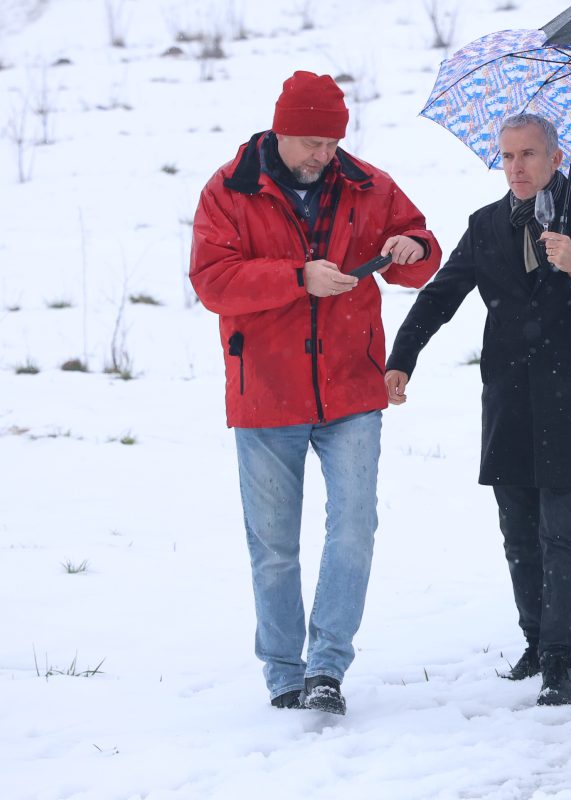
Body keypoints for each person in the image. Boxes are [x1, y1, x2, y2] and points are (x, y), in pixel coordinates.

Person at [189, 71, 442, 715]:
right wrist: (296, 278)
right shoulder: (228, 190)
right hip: (264, 393)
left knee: (354, 528)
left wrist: (411, 247)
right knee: (273, 545)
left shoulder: (369, 185)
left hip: (351, 389)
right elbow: (213, 281)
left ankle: (327, 665)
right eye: (310, 142)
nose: (322, 155)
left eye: (331, 142)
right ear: (281, 130)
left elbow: (423, 253)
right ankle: (283, 671)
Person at [385, 113, 571, 707]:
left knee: (561, 531)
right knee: (518, 533)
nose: (516, 167)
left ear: (555, 158)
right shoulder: (485, 224)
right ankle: (534, 640)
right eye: (507, 156)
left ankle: (559, 658)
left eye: (528, 154)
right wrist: (403, 357)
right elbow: (441, 295)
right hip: (508, 401)